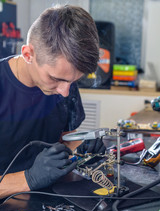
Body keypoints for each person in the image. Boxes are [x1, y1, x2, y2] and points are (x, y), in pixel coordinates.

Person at [0, 4, 105, 199]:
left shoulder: (65, 82)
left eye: (73, 81)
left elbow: (64, 137)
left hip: (48, 201)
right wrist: (29, 178)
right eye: (56, 79)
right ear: (28, 54)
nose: (65, 92)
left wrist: (81, 148)